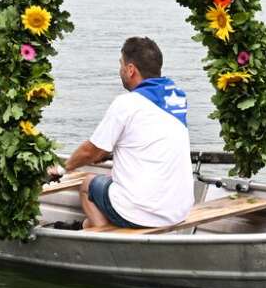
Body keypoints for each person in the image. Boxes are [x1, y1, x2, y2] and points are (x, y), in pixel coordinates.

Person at [56, 37, 193, 230]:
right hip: (178, 211)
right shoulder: (177, 98)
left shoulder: (127, 103)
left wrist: (64, 168)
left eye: (121, 64)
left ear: (130, 70)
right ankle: (87, 226)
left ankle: (103, 240)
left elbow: (91, 151)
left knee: (88, 184)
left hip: (143, 213)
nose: (119, 70)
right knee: (106, 193)